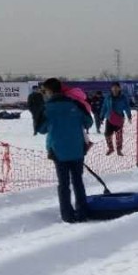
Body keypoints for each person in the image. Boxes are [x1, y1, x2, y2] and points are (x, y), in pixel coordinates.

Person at [37, 78, 95, 223]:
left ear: (49, 91)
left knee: (63, 184)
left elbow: (41, 129)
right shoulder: (75, 104)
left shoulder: (47, 108)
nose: (44, 94)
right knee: (78, 181)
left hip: (58, 151)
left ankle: (67, 215)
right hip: (77, 149)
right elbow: (88, 122)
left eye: (44, 91)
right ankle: (82, 213)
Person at [97, 82, 132, 155]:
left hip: (119, 119)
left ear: (119, 88)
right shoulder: (108, 97)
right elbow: (104, 107)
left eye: (116, 87)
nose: (115, 89)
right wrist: (101, 117)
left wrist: (129, 116)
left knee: (119, 135)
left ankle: (119, 149)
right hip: (109, 118)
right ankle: (110, 148)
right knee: (107, 134)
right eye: (113, 87)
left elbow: (127, 107)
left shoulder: (123, 97)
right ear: (111, 88)